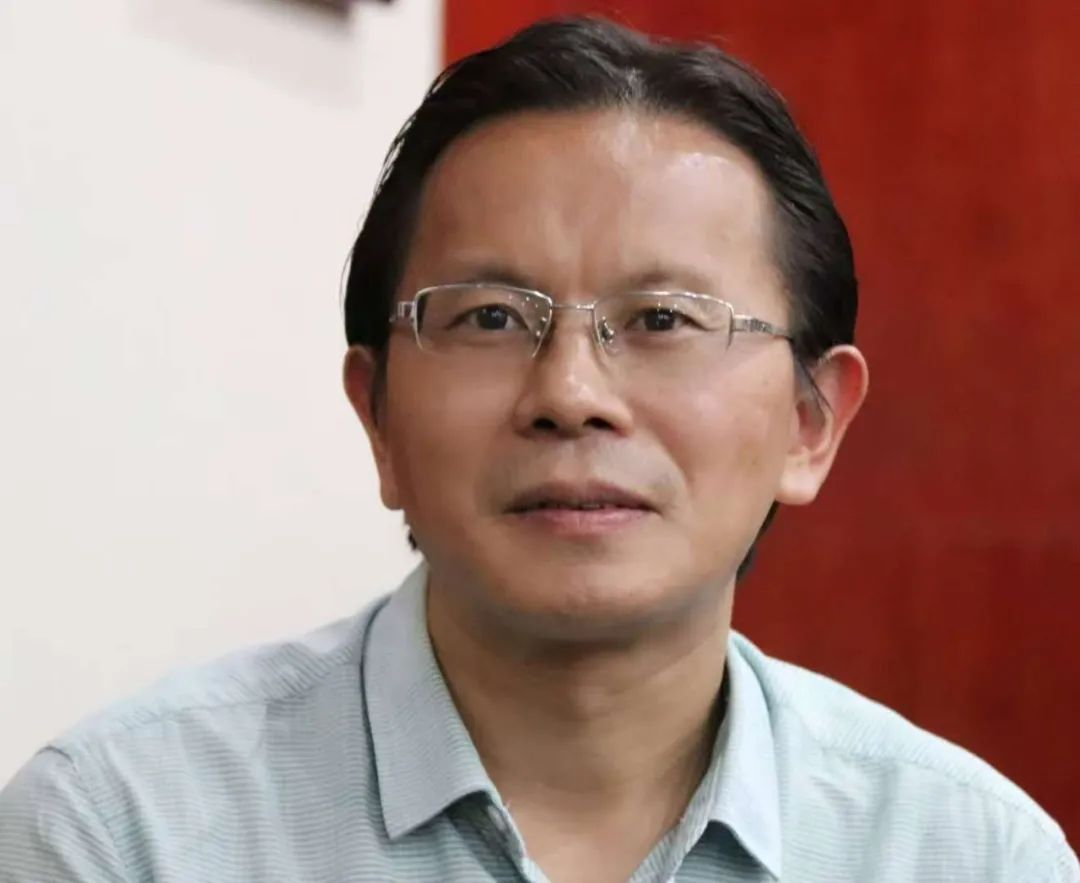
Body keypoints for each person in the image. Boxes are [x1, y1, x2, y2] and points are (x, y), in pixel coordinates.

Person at [1, 15, 1076, 883]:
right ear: (379, 418)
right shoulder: (123, 833)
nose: (570, 395)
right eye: (489, 317)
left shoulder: (966, 854)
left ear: (811, 422)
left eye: (663, 320)